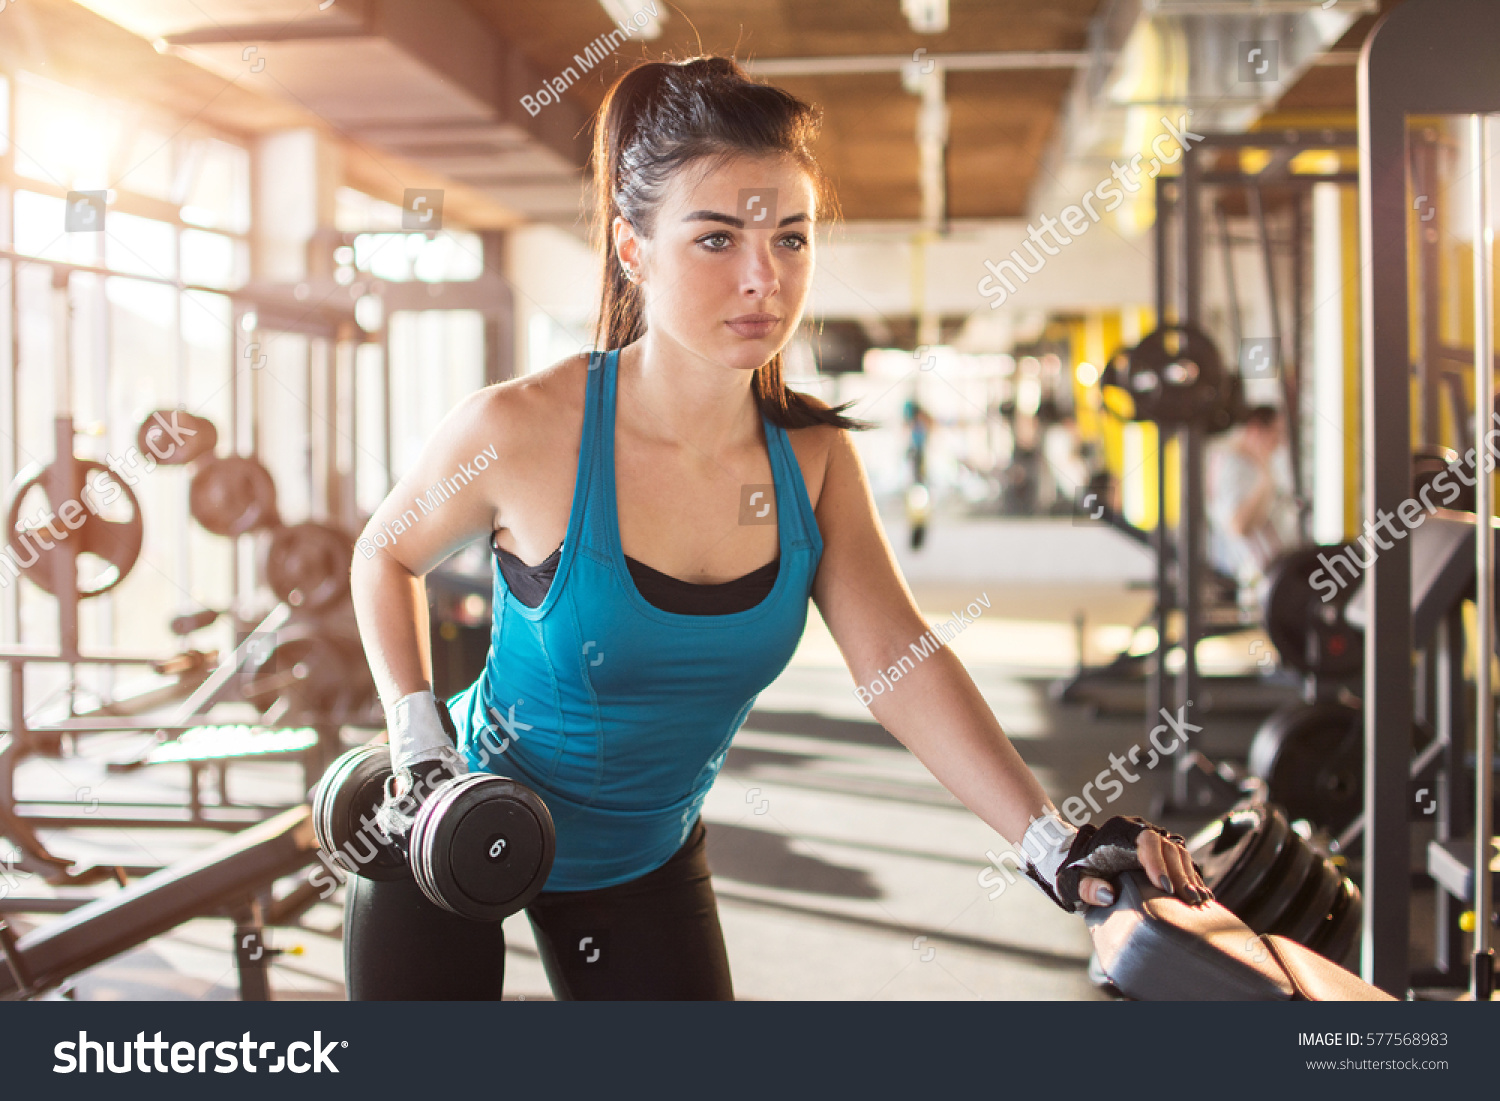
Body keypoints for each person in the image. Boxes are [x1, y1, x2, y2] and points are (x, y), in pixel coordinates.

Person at [345, 56, 1210, 1001]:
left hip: (642, 857)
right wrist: (418, 742)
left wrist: (1052, 841)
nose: (764, 279)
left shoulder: (812, 458)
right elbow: (384, 554)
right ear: (633, 247)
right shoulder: (521, 431)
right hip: (453, 828)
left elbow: (902, 661)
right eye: (717, 240)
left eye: (791, 239)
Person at [1207, 405, 1297, 588]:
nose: (1279, 443)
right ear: (1256, 430)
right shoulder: (1231, 465)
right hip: (1249, 580)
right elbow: (1238, 526)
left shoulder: (1249, 464)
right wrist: (1265, 476)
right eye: (1276, 434)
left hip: (1272, 574)